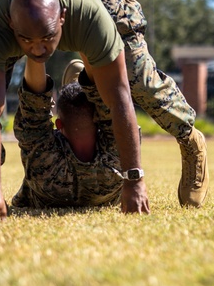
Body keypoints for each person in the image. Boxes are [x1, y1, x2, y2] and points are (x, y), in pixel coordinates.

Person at [0, 0, 208, 219]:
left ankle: (189, 138)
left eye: (47, 39)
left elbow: (120, 95)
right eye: (27, 40)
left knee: (136, 75)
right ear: (10, 23)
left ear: (63, 19)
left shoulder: (89, 15)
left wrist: (134, 180)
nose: (38, 50)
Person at [9, 59, 127, 210]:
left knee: (36, 133)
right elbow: (118, 117)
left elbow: (33, 112)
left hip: (49, 188)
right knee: (113, 122)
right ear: (98, 121)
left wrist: (35, 51)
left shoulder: (45, 168)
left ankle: (78, 93)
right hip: (104, 189)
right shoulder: (116, 165)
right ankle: (83, 90)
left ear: (59, 126)